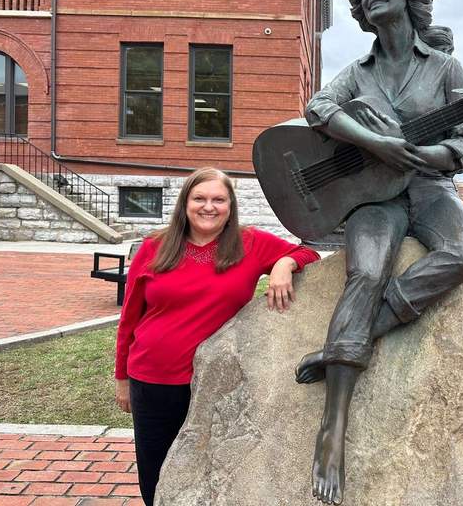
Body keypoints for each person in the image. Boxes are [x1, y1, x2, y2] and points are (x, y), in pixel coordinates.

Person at [296, 0, 463, 504]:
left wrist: (426, 157)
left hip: (428, 190)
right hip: (374, 198)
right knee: (366, 270)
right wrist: (377, 142)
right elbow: (318, 110)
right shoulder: (357, 72)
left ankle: (353, 339)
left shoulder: (445, 67)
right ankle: (332, 428)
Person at [114, 167, 320, 505]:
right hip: (153, 379)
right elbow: (129, 318)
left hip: (218, 383)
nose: (208, 207)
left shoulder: (250, 243)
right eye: (200, 198)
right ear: (185, 204)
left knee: (211, 470)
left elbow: (309, 252)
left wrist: (285, 264)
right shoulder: (155, 247)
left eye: (218, 200)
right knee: (156, 474)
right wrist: (122, 377)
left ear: (230, 206)